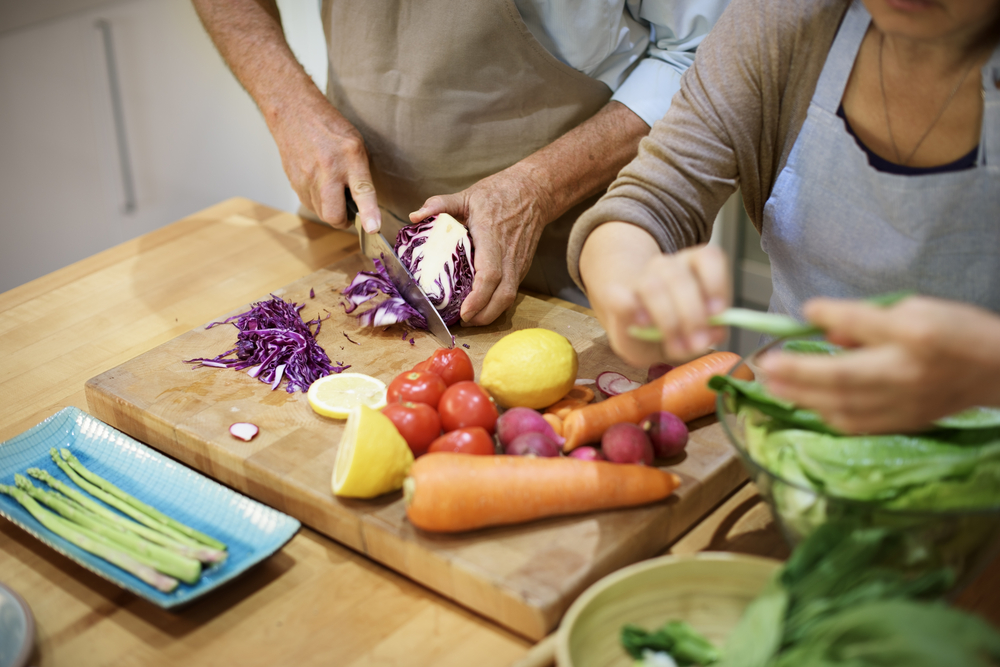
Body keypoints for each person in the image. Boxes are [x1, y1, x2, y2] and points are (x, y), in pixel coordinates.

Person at [570, 0, 1000, 434]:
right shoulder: (781, 19)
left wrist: (987, 366)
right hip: (787, 438)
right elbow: (650, 201)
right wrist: (629, 284)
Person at [191, 0, 730, 325]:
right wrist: (289, 106)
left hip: (587, 245)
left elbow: (703, 54)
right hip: (355, 221)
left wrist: (538, 188)